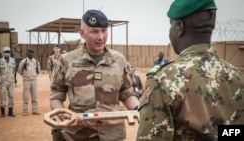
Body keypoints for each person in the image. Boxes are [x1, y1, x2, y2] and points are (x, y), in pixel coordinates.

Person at [137, 0, 244, 141]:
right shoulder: (237, 77)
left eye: (171, 25)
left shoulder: (163, 80)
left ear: (180, 27)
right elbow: (235, 132)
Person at [49, 9, 139, 141]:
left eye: (104, 30)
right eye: (94, 31)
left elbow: (126, 92)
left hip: (113, 135)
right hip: (78, 134)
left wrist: (138, 108)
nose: (101, 37)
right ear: (82, 33)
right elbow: (56, 95)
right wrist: (64, 115)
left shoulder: (119, 60)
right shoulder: (66, 61)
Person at [17, 48, 41, 116]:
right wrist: (25, 76)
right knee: (25, 96)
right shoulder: (23, 61)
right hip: (26, 81)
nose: (31, 54)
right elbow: (19, 70)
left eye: (32, 52)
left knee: (35, 96)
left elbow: (38, 70)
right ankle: (25, 111)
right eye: (29, 52)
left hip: (34, 81)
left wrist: (34, 76)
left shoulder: (36, 61)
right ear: (27, 53)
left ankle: (35, 110)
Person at [0, 47, 16, 117]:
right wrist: (1, 78)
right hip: (3, 82)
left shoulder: (13, 61)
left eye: (8, 52)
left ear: (10, 52)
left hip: (11, 81)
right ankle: (2, 112)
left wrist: (12, 78)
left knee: (11, 96)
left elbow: (14, 71)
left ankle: (10, 112)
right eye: (5, 52)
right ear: (3, 52)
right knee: (2, 96)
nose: (7, 53)